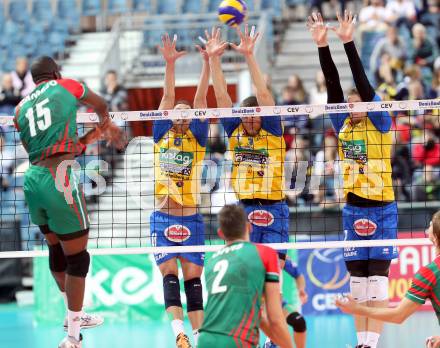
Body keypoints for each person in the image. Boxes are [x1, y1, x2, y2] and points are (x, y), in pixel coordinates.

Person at [14, 56, 126, 348]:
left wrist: (93, 136)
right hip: (59, 178)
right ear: (55, 73)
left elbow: (42, 149)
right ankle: (73, 337)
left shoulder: (20, 108)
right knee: (78, 258)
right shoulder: (66, 85)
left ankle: (72, 314)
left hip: (33, 179)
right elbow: (101, 105)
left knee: (56, 249)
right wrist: (107, 125)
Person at [308, 11, 397, 348]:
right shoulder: (342, 126)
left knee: (378, 282)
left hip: (382, 208)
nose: (352, 103)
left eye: (357, 101)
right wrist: (322, 47)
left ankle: (372, 344)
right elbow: (333, 85)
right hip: (353, 210)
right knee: (357, 283)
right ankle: (361, 342)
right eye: (349, 103)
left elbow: (362, 82)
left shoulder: (379, 123)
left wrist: (347, 42)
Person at [206, 26, 289, 267]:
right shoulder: (235, 129)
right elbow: (222, 98)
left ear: (262, 117)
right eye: (245, 116)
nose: (249, 119)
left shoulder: (272, 130)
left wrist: (249, 56)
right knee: (246, 271)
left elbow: (263, 94)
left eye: (254, 115)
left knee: (275, 272)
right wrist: (213, 59)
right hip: (244, 208)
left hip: (275, 208)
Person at [150, 34, 210, 348]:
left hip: (191, 219)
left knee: (193, 282)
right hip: (162, 217)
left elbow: (200, 102)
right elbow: (168, 95)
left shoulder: (197, 139)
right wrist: (169, 64)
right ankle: (180, 335)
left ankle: (200, 339)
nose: (182, 113)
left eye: (187, 112)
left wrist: (207, 63)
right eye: (178, 110)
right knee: (169, 278)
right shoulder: (161, 132)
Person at [336, 210, 440, 348]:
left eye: (431, 223)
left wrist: (357, 309)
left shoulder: (430, 273)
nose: (428, 227)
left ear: (436, 237)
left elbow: (398, 315)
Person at [198, 204, 293, 348]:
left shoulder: (212, 261)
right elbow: (275, 319)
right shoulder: (265, 254)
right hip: (237, 341)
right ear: (249, 227)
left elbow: (256, 316)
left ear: (221, 234)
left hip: (205, 340)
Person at [265, 256, 308, 348]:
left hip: (277, 303)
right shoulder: (253, 254)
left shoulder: (279, 256)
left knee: (299, 321)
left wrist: (301, 290)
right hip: (256, 303)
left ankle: (271, 341)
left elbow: (299, 275)